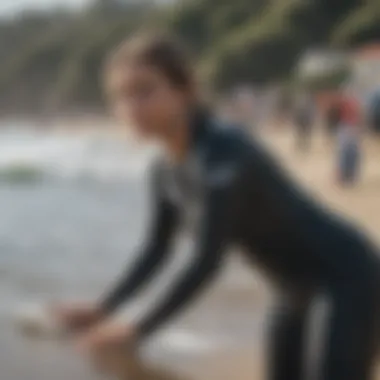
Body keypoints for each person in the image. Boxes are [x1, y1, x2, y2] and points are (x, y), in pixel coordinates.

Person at [55, 33, 380, 380]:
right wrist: (103, 309)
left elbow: (207, 260)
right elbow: (155, 249)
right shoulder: (163, 171)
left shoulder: (224, 153)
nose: (131, 108)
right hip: (292, 291)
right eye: (121, 97)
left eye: (145, 91)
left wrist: (138, 329)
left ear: (185, 92)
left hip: (347, 279)